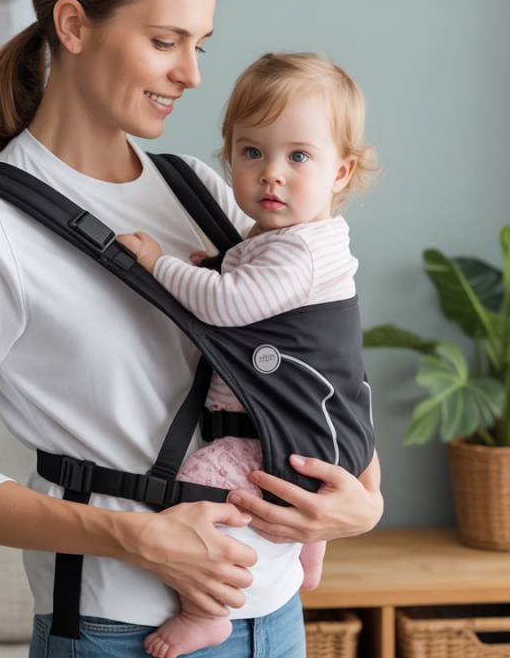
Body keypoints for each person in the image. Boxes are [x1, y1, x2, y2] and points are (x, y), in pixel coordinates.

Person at [0, 0, 383, 658]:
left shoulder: (197, 188)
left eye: (200, 46)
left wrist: (363, 499)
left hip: (277, 616)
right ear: (75, 25)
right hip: (117, 631)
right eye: (165, 42)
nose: (190, 75)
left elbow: (305, 352)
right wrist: (138, 537)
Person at [117, 52, 378, 658]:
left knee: (196, 486)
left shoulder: (300, 251)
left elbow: (227, 306)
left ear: (341, 172)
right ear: (228, 154)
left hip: (275, 438)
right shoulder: (278, 240)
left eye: (299, 156)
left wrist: (161, 265)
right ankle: (309, 549)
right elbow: (244, 283)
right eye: (251, 152)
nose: (272, 175)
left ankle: (204, 611)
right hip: (317, 425)